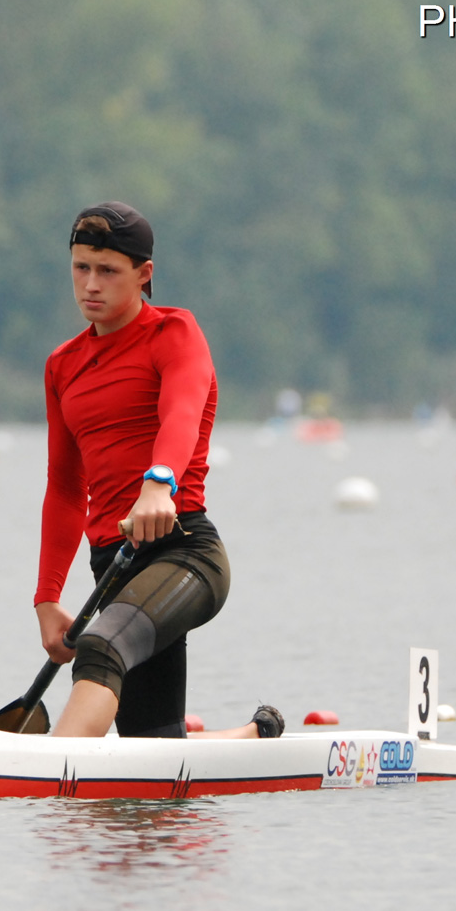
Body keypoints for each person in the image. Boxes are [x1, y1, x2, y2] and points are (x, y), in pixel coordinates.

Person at [34, 200, 283, 741]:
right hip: (114, 566)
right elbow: (65, 488)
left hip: (183, 551)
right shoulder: (62, 366)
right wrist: (47, 597)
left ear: (144, 275)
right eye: (81, 268)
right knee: (154, 748)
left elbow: (182, 415)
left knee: (101, 646)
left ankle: (48, 782)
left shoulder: (175, 333)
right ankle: (255, 737)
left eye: (108, 271)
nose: (90, 285)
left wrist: (158, 482)